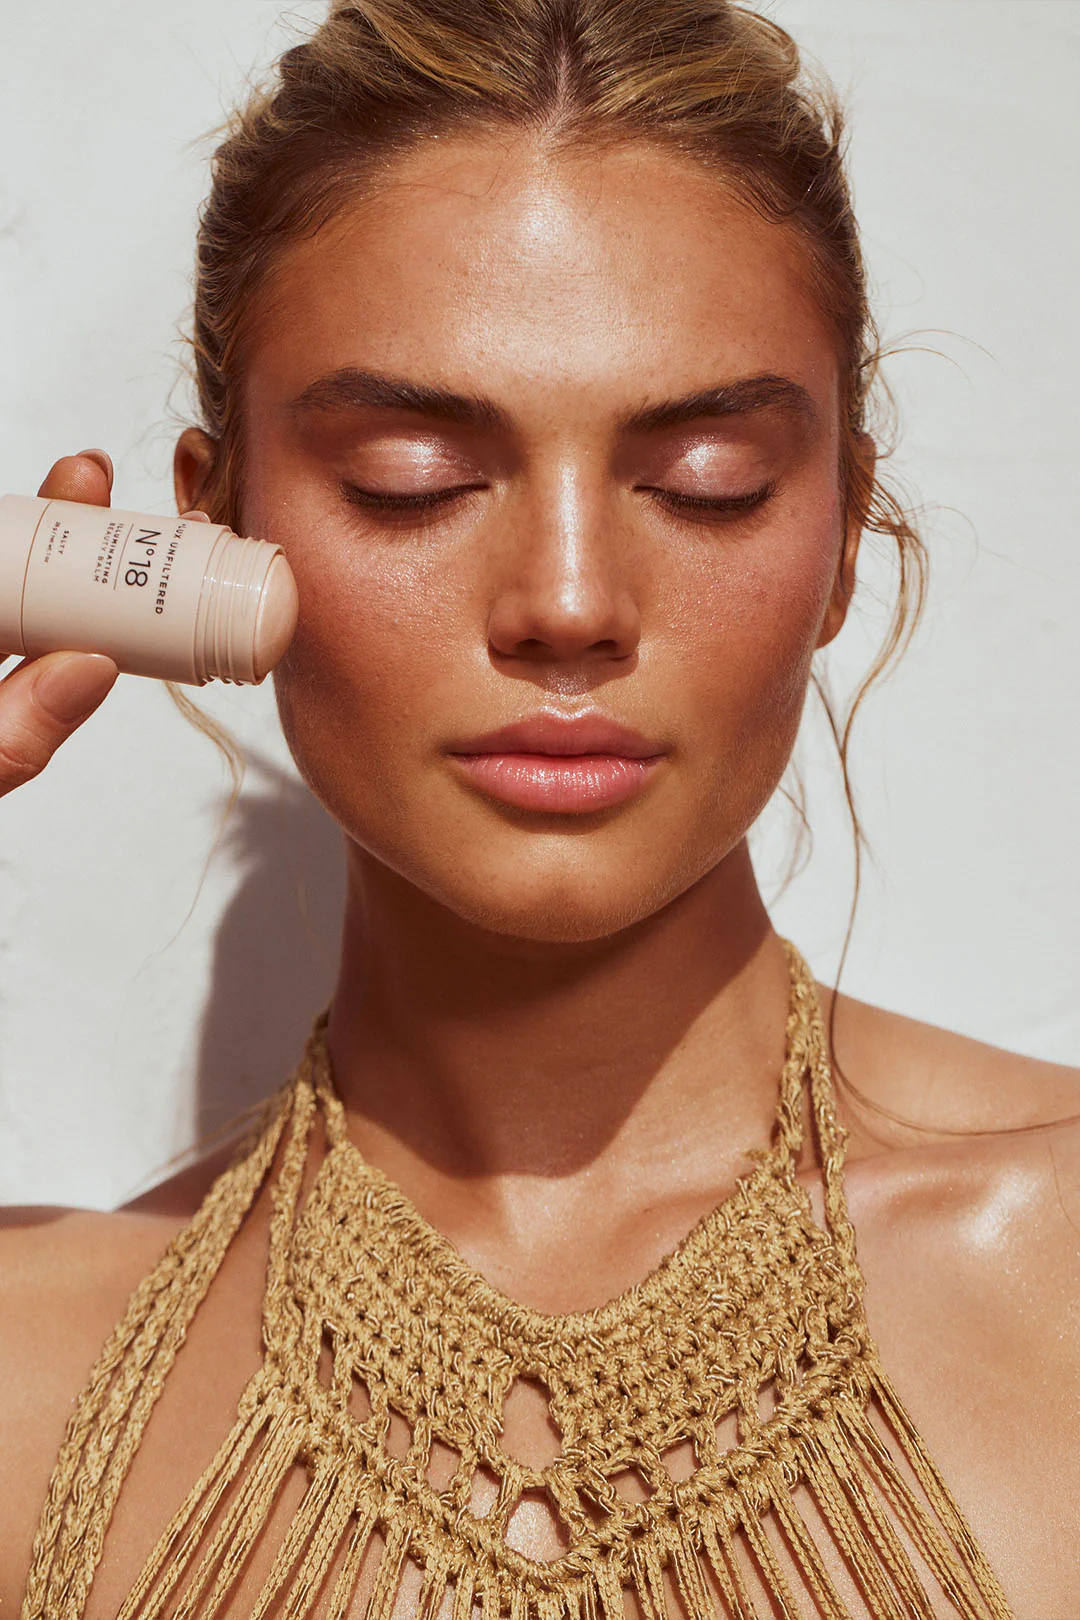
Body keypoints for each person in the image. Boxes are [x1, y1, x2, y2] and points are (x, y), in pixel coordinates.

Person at [2, 1, 1078, 1615]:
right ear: (212, 536)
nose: (569, 603)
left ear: (847, 535)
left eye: (704, 480)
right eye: (412, 480)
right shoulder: (33, 1363)